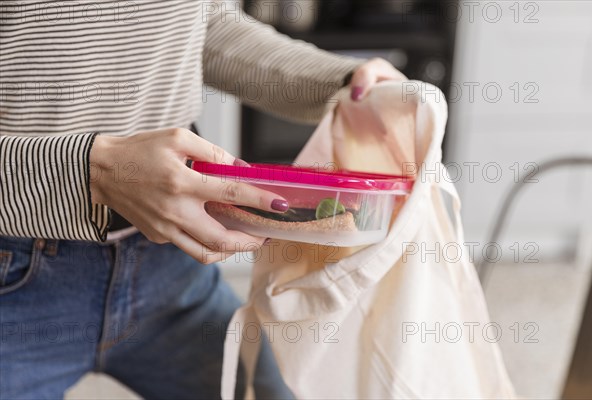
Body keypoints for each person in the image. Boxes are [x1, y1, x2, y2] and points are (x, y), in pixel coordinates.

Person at [0, 1, 406, 398]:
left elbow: (199, 21)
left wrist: (345, 81)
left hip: (172, 269)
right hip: (13, 280)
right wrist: (92, 172)